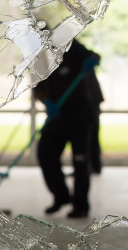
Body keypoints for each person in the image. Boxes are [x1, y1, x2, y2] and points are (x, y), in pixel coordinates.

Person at [34, 40, 101, 219]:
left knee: (80, 162)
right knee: (45, 154)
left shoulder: (68, 44)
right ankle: (61, 195)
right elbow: (37, 86)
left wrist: (92, 61)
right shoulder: (35, 56)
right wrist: (45, 101)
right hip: (57, 116)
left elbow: (94, 56)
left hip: (80, 116)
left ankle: (81, 205)